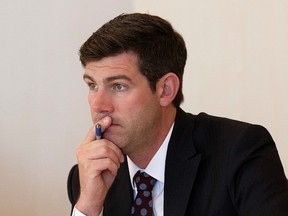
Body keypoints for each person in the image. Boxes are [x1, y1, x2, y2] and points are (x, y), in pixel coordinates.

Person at [67, 13, 288, 216]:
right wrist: (87, 206)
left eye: (118, 86)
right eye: (92, 85)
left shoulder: (240, 152)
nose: (98, 105)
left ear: (166, 90)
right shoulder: (90, 177)